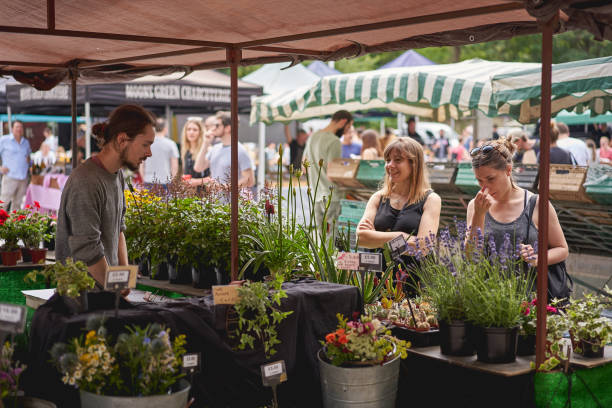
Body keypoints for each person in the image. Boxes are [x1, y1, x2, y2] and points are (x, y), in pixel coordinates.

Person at [55, 104, 155, 288]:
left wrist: (123, 278)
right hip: (81, 301)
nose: (149, 153)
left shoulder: (117, 175)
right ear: (123, 140)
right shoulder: (85, 181)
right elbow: (87, 250)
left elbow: (119, 229)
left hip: (105, 296)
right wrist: (116, 286)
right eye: (145, 145)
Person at [466, 138, 568, 275]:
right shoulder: (475, 205)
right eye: (479, 180)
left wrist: (537, 259)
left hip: (530, 293)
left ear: (508, 170)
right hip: (488, 294)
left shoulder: (537, 204)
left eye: (491, 179)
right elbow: (471, 257)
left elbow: (562, 249)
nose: (485, 187)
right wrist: (478, 215)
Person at [357, 137, 441, 290]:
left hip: (414, 286)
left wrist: (377, 238)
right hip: (377, 283)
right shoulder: (377, 198)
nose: (390, 165)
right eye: (388, 160)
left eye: (397, 160)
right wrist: (401, 238)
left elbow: (422, 247)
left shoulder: (431, 200)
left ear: (414, 164)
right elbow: (361, 238)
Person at [303, 109, 353, 228]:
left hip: (316, 195)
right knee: (331, 239)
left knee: (322, 239)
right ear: (343, 122)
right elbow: (332, 172)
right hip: (332, 197)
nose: (347, 131)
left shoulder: (312, 137)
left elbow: (304, 166)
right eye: (348, 127)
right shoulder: (334, 141)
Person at [193, 112, 254, 188]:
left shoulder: (240, 151)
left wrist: (223, 187)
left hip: (231, 200)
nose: (213, 128)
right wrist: (205, 143)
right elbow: (198, 168)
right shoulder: (215, 148)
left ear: (228, 128)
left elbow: (249, 180)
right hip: (216, 199)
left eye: (217, 125)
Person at [0, 121, 31, 211]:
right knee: (3, 203)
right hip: (10, 177)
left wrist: (29, 162)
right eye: (17, 127)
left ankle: (13, 224)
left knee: (17, 205)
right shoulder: (4, 140)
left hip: (23, 178)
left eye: (21, 127)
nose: (19, 129)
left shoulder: (26, 142)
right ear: (12, 128)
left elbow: (28, 157)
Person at [140, 118, 179, 188]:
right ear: (165, 128)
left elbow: (141, 164)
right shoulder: (171, 144)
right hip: (165, 182)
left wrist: (144, 179)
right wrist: (173, 181)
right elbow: (174, 167)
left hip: (148, 181)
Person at [180, 119, 210, 189]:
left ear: (200, 132)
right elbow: (185, 173)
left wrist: (196, 182)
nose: (191, 132)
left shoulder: (207, 150)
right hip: (190, 193)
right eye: (189, 129)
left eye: (195, 130)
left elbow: (214, 178)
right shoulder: (185, 150)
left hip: (206, 193)